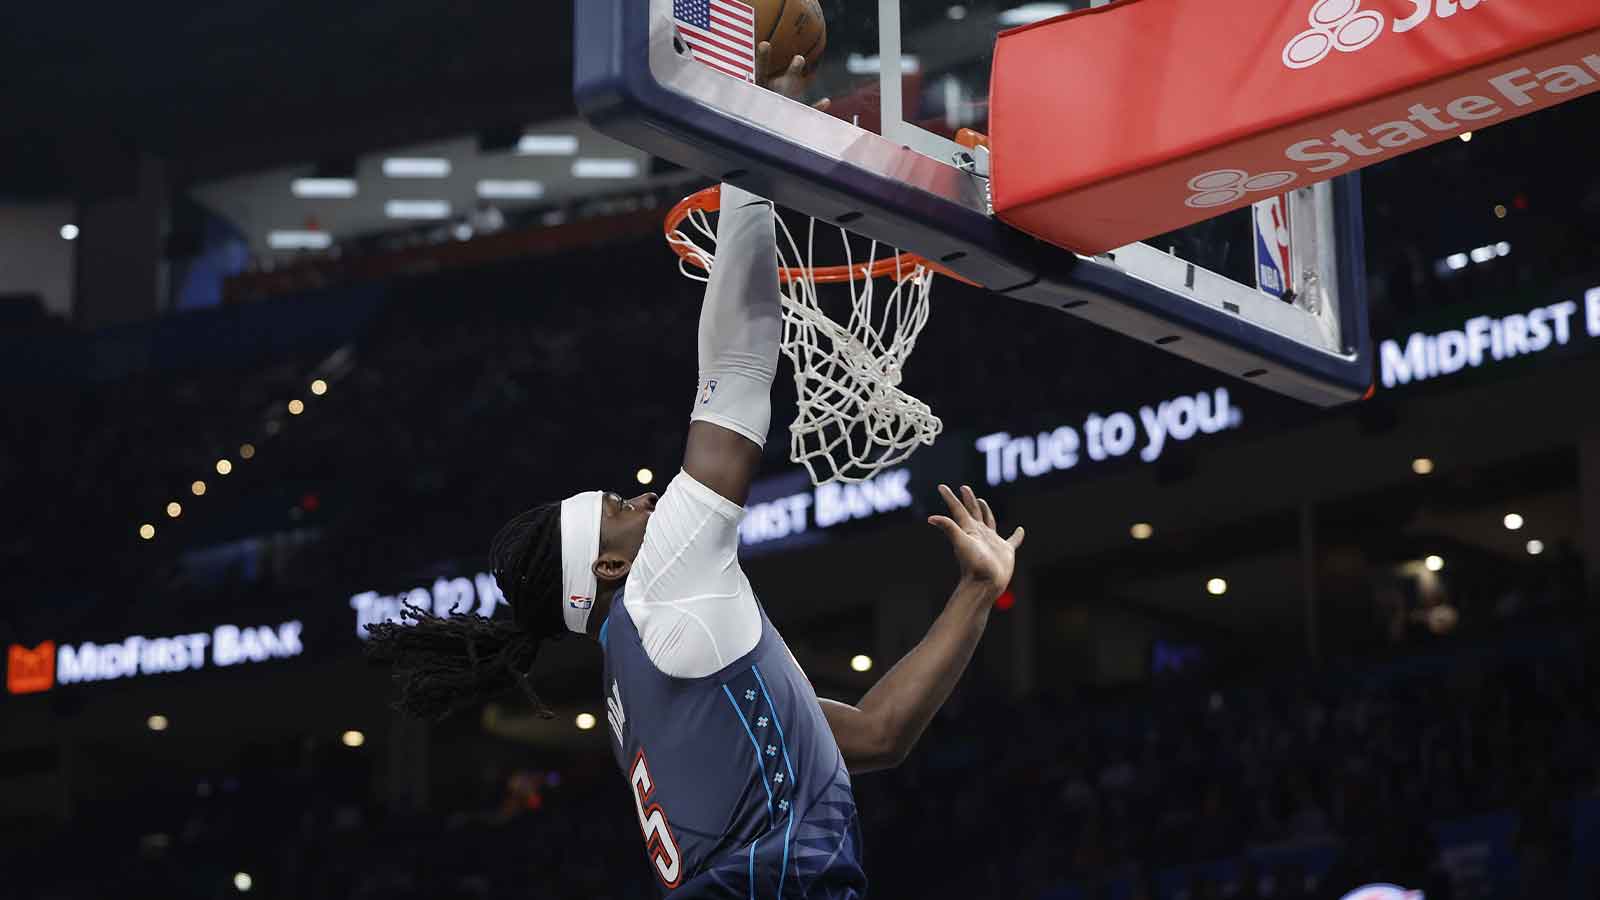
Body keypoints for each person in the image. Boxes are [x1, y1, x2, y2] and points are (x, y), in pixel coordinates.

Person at [366, 50, 1024, 898]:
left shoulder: (653, 668)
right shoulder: (657, 593)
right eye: (617, 508)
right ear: (607, 567)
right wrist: (752, 152)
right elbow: (740, 377)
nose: (642, 497)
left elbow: (876, 736)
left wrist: (976, 592)